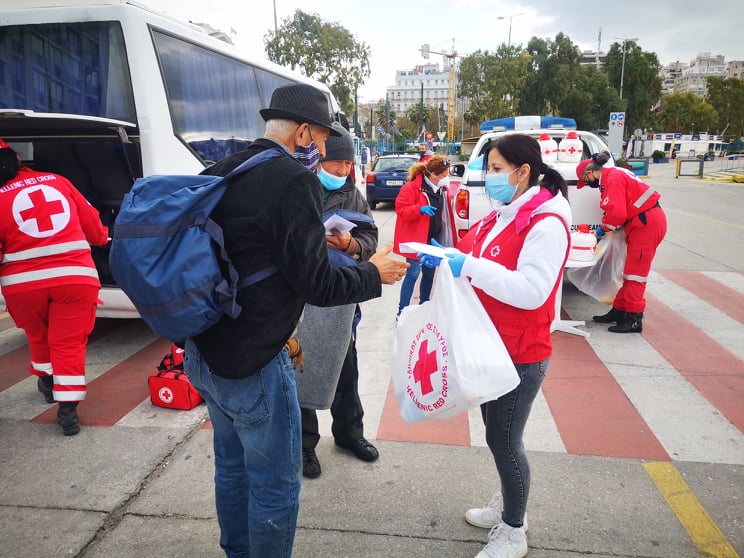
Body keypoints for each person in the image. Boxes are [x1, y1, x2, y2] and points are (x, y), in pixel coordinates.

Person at [182, 83, 409, 558]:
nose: (326, 150)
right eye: (323, 140)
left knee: (231, 468)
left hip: (205, 351)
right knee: (275, 488)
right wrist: (375, 273)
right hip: (253, 363)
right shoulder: (291, 180)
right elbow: (319, 285)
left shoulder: (225, 168)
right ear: (304, 133)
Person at [421, 134, 571, 558]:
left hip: (521, 352)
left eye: (499, 168)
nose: (490, 177)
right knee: (494, 435)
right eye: (489, 168)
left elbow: (532, 291)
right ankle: (508, 505)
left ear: (524, 172)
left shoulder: (545, 222)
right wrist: (446, 255)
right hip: (490, 346)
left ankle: (514, 529)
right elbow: (475, 256)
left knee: (506, 441)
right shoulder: (505, 213)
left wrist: (467, 265)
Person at [0, 138, 109, 436]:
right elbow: (94, 226)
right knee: (69, 342)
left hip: (22, 286)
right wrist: (100, 239)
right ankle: (68, 409)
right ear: (17, 159)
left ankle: (48, 382)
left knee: (39, 334)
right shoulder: (58, 181)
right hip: (74, 278)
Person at [299, 124, 380, 479]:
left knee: (346, 372)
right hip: (303, 299)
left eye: (348, 164)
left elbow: (370, 235)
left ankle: (349, 434)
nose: (344, 171)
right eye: (337, 164)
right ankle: (303, 446)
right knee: (304, 370)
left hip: (342, 295)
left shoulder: (353, 194)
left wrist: (351, 246)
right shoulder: (297, 188)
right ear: (319, 159)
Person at [576, 151, 667, 333]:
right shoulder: (614, 174)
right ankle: (620, 310)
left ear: (590, 173)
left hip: (646, 225)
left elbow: (617, 214)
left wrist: (603, 230)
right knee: (629, 273)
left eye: (585, 182)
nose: (588, 185)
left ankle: (634, 319)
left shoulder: (612, 179)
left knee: (635, 275)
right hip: (644, 222)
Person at [393, 154, 454, 316]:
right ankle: (402, 311)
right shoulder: (412, 188)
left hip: (432, 239)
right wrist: (419, 210)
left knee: (429, 274)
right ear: (433, 174)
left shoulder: (441, 189)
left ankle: (424, 307)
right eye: (443, 176)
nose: (445, 179)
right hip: (416, 239)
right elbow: (401, 210)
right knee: (412, 274)